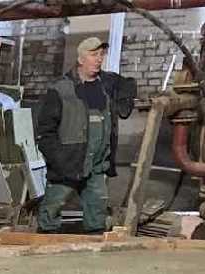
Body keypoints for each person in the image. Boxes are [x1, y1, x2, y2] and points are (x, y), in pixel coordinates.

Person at [34, 37, 137, 233]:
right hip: (68, 164)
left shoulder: (105, 84)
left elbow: (128, 84)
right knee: (50, 216)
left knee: (97, 219)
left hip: (97, 166)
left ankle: (93, 248)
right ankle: (43, 247)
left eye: (101, 55)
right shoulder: (61, 89)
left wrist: (125, 101)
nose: (99, 59)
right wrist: (59, 160)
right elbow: (45, 133)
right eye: (93, 55)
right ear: (81, 59)